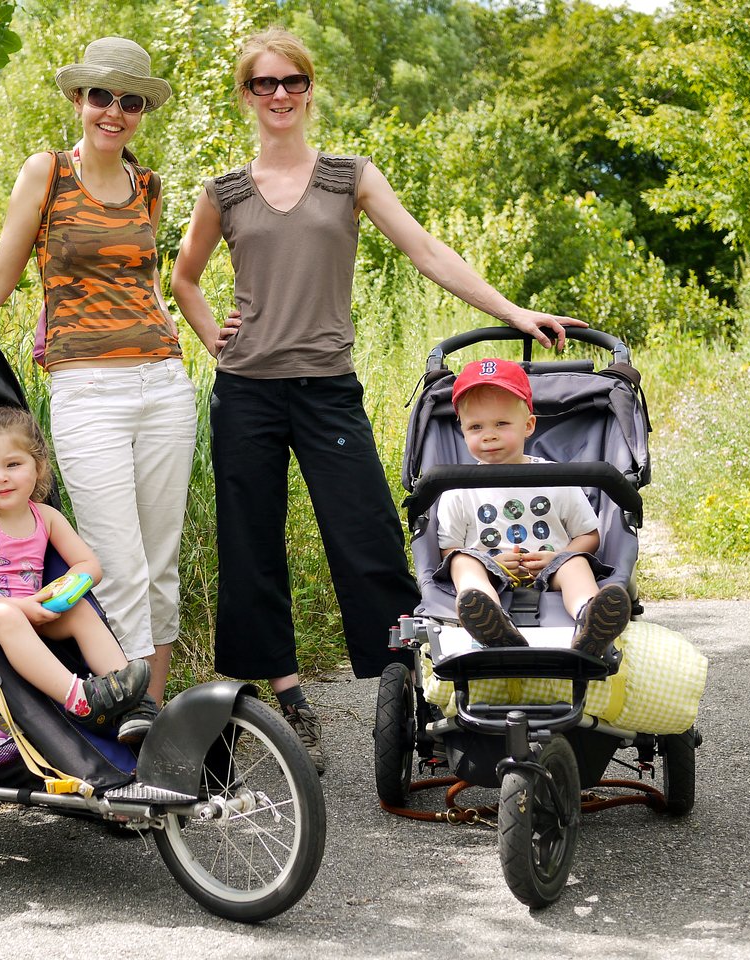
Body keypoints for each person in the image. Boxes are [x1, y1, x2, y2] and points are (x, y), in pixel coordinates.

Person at [170, 27, 586, 773]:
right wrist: (212, 337)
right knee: (251, 550)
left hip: (328, 389)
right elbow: (185, 279)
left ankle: (416, 687)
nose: (279, 96)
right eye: (263, 84)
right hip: (246, 394)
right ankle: (289, 697)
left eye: (292, 82)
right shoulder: (224, 193)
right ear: (246, 95)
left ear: (308, 87)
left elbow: (427, 251)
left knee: (366, 539)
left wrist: (515, 313)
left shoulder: (349, 176)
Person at [0, 37, 194, 714]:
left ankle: (158, 718)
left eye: (131, 100)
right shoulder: (47, 173)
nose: (115, 111)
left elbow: (138, 283)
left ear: (142, 111)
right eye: (102, 96)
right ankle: (124, 720)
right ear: (79, 101)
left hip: (164, 385)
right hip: (88, 393)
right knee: (117, 566)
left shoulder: (148, 186)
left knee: (162, 568)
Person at [0, 406, 154, 743]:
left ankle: (134, 704)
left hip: (36, 611)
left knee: (81, 608)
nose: (0, 477)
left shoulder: (46, 517)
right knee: (4, 615)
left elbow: (90, 566)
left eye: (13, 464)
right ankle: (82, 701)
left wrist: (64, 591)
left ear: (38, 467)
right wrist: (23, 607)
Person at [435, 358, 632, 655]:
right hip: (490, 570)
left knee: (575, 563)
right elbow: (448, 549)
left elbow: (589, 535)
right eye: (476, 427)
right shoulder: (458, 486)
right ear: (462, 431)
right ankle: (490, 621)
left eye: (501, 423)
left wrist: (559, 556)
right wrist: (492, 562)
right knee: (462, 562)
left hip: (550, 570)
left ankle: (590, 620)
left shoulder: (557, 478)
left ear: (528, 426)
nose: (489, 435)